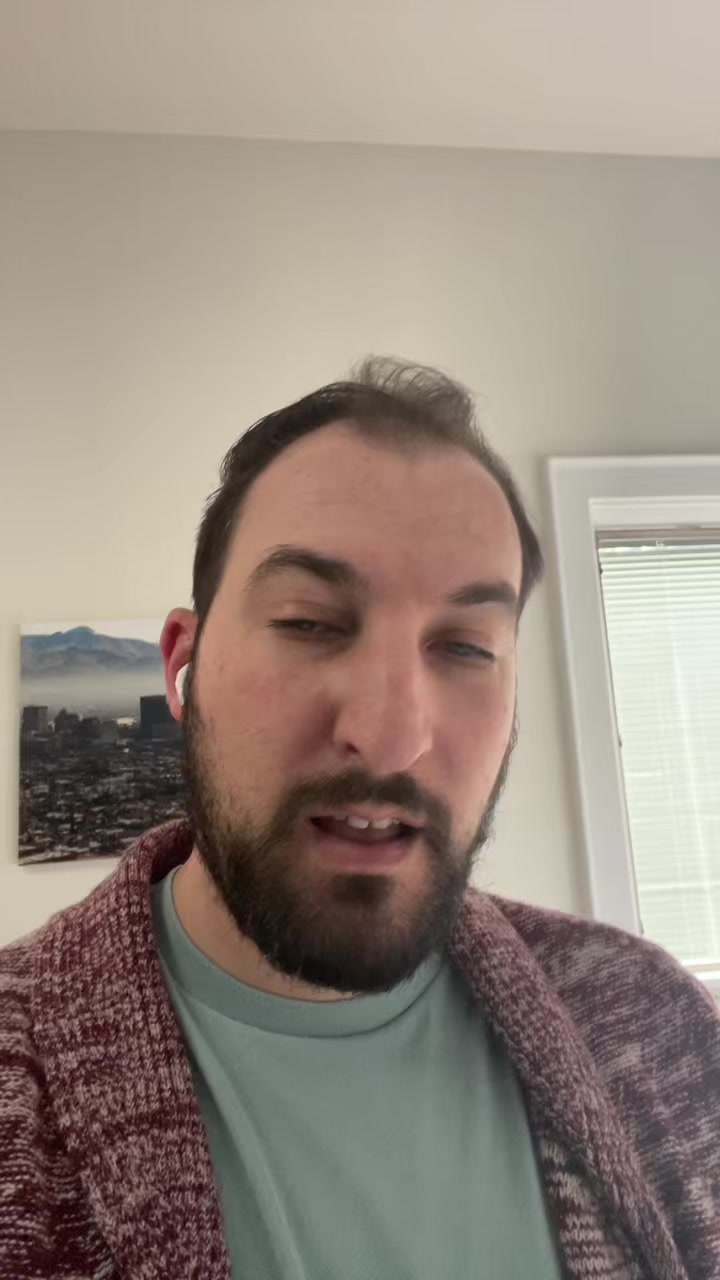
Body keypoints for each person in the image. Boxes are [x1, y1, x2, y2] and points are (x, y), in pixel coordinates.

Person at [1, 359, 718, 1280]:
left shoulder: (655, 1024)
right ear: (183, 669)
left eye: (465, 646)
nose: (391, 737)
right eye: (309, 623)